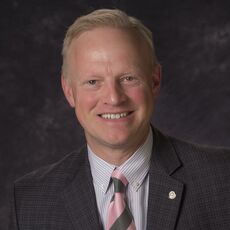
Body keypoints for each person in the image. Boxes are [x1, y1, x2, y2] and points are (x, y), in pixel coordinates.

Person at [10, 9, 230, 230]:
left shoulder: (222, 179)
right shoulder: (29, 201)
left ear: (154, 81)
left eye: (128, 78)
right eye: (93, 82)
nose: (114, 98)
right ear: (69, 91)